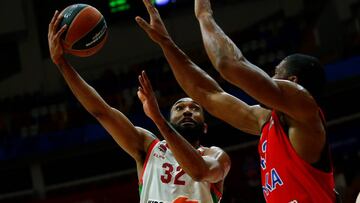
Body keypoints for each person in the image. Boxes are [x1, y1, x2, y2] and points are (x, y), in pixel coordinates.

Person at [135, 0, 337, 202]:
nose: (270, 78)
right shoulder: (267, 120)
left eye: (276, 74)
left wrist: (204, 15)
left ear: (293, 82)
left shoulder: (304, 107)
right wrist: (166, 43)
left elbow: (229, 64)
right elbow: (206, 94)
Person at [48, 9, 230, 203]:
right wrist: (62, 64)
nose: (187, 110)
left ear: (204, 127)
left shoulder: (217, 156)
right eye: (179, 108)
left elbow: (199, 172)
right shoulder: (147, 146)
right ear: (171, 120)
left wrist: (158, 120)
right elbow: (102, 112)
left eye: (195, 109)